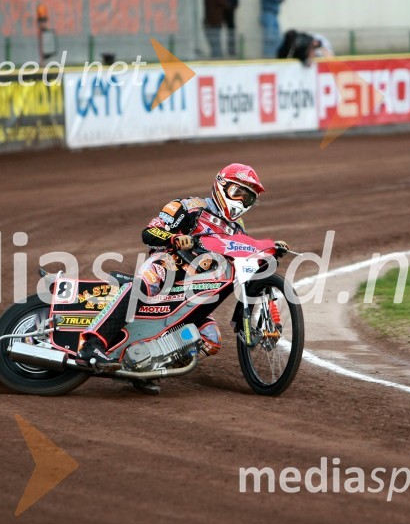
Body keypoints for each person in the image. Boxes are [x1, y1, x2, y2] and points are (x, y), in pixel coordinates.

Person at [75, 163, 288, 395]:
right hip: (167, 264)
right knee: (144, 284)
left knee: (210, 338)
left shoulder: (237, 231)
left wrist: (269, 251)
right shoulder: (189, 206)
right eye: (238, 193)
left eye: (247, 199)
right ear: (221, 186)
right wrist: (176, 238)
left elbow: (246, 257)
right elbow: (149, 232)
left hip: (192, 292)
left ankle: (147, 368)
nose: (240, 202)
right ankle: (91, 345)